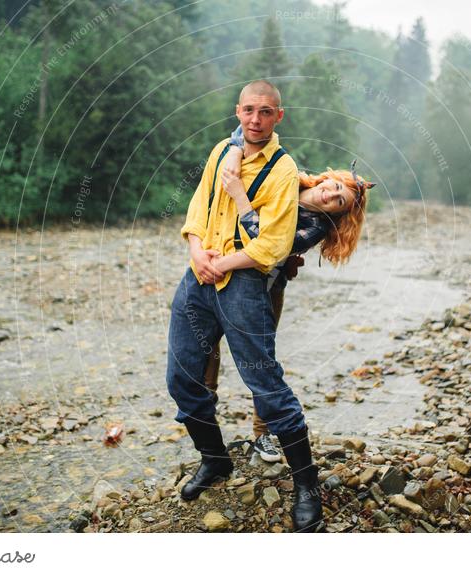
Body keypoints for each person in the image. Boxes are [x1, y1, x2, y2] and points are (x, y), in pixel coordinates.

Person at [166, 80, 323, 532]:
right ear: (238, 111)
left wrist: (223, 265)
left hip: (243, 286)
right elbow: (199, 206)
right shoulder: (221, 151)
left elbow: (272, 246)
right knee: (182, 377)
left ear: (279, 116)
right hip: (198, 278)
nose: (256, 119)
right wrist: (197, 250)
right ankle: (215, 460)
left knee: (266, 387)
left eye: (266, 112)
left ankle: (307, 488)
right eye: (249, 110)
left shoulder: (283, 169)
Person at [203, 125, 373, 462]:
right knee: (207, 345)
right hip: (220, 267)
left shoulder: (316, 227)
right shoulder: (287, 178)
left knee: (260, 359)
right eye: (335, 187)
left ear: (339, 213)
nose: (331, 195)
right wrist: (236, 154)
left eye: (339, 201)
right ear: (328, 179)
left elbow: (268, 244)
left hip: (265, 286)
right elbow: (245, 131)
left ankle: (262, 435)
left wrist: (238, 193)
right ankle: (206, 432)